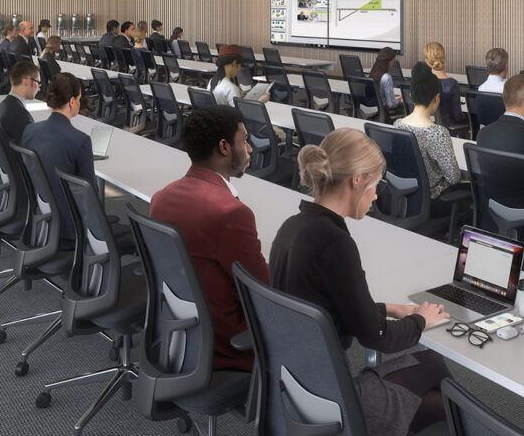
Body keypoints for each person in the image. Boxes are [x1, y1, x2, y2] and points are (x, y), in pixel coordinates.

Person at [270, 129, 451, 435]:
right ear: (356, 180)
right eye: (376, 184)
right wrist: (421, 319)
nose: (376, 195)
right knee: (441, 390)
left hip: (296, 386)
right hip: (335, 399)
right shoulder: (334, 242)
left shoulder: (293, 227)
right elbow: (377, 336)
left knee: (435, 390)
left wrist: (389, 308)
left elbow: (328, 306)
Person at [149, 105, 270, 372]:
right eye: (244, 141)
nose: (250, 149)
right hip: (225, 345)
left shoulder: (160, 197)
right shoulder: (230, 213)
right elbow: (264, 291)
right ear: (224, 147)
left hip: (181, 333)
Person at [19, 72, 95, 248]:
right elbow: (90, 194)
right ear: (72, 102)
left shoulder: (30, 131)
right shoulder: (80, 140)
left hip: (41, 219)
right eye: (79, 99)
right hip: (70, 228)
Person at [395, 64, 463, 199]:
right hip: (431, 199)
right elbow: (453, 177)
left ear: (411, 95)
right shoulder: (438, 133)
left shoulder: (398, 125)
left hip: (404, 196)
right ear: (437, 98)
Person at [0, 60, 40, 147]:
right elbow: (35, 148)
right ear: (27, 81)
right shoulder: (20, 115)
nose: (39, 88)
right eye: (38, 82)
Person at [369, 47, 402, 112]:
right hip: (385, 110)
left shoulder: (373, 73)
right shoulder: (386, 77)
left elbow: (378, 93)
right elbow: (391, 104)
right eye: (393, 60)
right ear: (389, 61)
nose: (393, 62)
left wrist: (391, 95)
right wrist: (399, 100)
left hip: (375, 107)